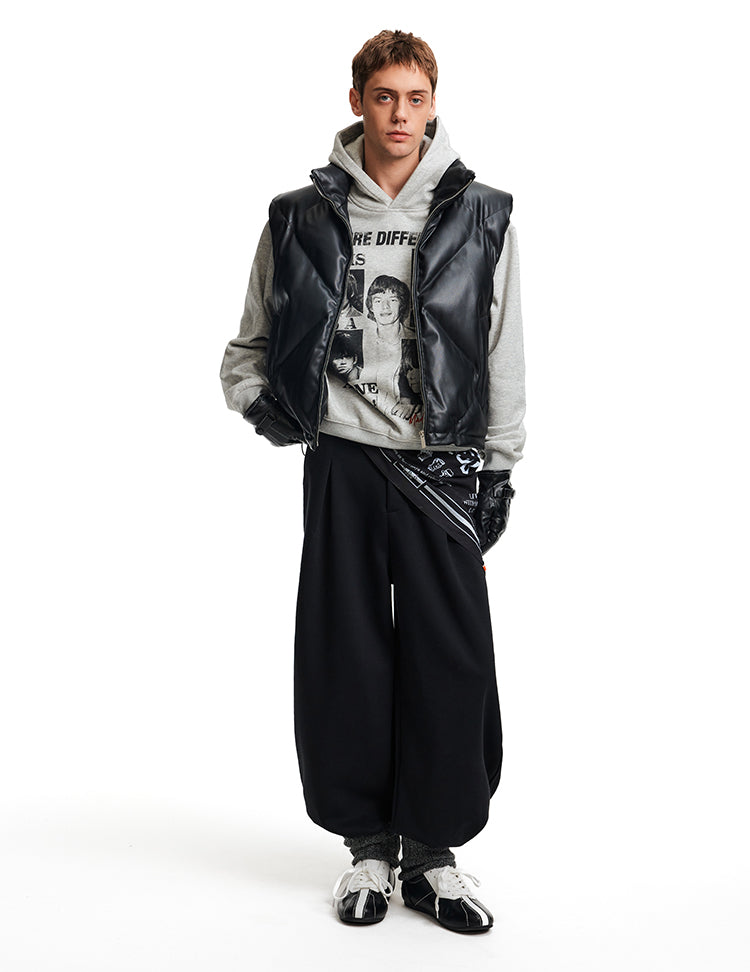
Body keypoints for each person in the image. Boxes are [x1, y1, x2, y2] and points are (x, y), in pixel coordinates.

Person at [220, 28, 525, 934]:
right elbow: (248, 346)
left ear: (434, 105)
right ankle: (366, 851)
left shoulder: (484, 214)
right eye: (385, 97)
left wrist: (500, 465)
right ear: (357, 102)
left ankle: (433, 858)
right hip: (342, 462)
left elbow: (503, 346)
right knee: (345, 655)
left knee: (450, 660)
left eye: (416, 99)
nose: (401, 115)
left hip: (442, 466)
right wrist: (264, 405)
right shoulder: (299, 216)